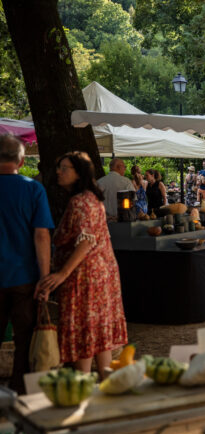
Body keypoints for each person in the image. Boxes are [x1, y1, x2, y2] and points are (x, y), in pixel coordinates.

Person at [37, 152, 127, 377]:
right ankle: (106, 387)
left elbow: (87, 239)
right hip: (102, 275)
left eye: (64, 168)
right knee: (99, 336)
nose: (59, 171)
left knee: (85, 334)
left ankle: (83, 389)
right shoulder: (92, 198)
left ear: (79, 173)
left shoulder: (80, 202)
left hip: (85, 278)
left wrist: (61, 274)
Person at [0, 135, 53, 394]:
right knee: (24, 340)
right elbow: (41, 235)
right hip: (25, 278)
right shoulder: (33, 189)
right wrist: (45, 279)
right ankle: (18, 392)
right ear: (21, 160)